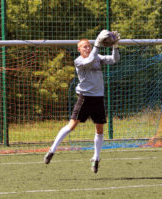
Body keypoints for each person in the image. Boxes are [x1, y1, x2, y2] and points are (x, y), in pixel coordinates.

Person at [44, 30, 120, 174]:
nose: (87, 48)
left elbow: (114, 60)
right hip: (84, 98)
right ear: (79, 49)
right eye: (84, 46)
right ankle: (52, 150)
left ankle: (96, 159)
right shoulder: (79, 61)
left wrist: (115, 46)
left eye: (89, 46)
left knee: (99, 129)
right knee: (72, 125)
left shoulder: (96, 56)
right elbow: (89, 60)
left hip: (98, 98)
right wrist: (97, 45)